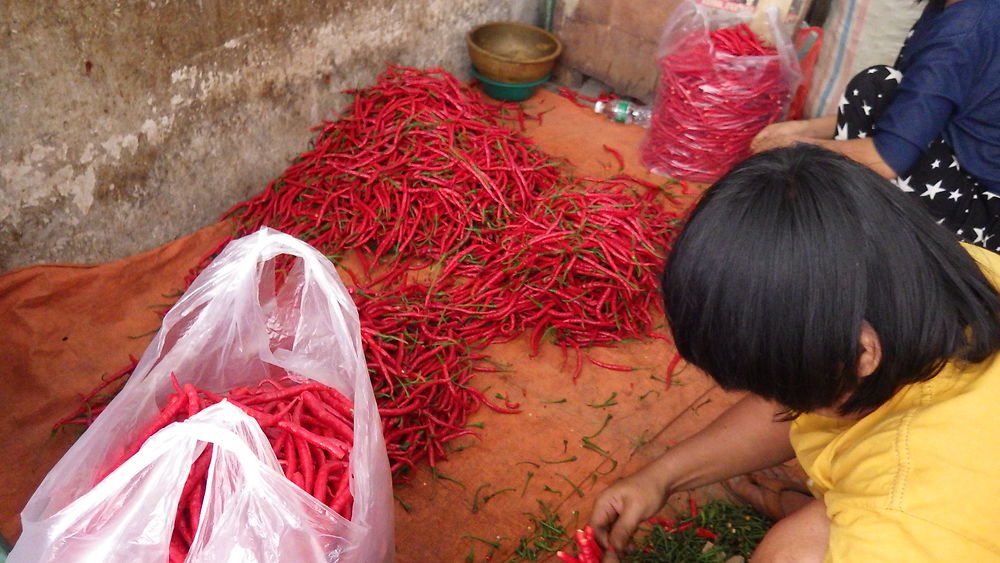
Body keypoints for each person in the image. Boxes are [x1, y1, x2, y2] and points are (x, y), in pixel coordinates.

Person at [588, 144, 1000, 561]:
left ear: (861, 353)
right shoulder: (939, 276)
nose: (781, 402)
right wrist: (660, 478)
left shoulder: (910, 518)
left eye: (785, 388)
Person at [751, 0, 1000, 252]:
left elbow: (887, 159)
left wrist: (796, 147)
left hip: (983, 220)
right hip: (973, 195)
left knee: (875, 86)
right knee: (880, 93)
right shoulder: (958, 10)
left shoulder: (963, 29)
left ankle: (849, 242)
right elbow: (907, 111)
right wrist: (808, 129)